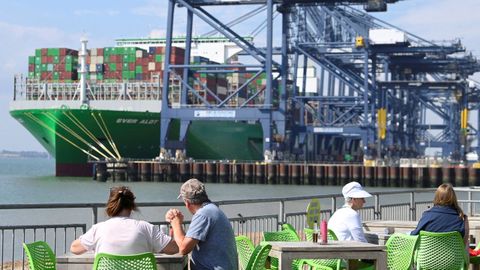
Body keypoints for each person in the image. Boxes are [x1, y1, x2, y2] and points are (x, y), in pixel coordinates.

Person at [70, 186, 178, 255]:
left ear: (110, 207)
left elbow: (74, 248)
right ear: (132, 207)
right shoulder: (146, 228)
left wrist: (93, 246)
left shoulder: (98, 229)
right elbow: (174, 248)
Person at [165, 178, 238, 270]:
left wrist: (176, 223)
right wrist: (176, 224)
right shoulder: (211, 210)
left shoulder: (203, 215)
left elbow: (183, 249)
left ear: (187, 203)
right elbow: (185, 242)